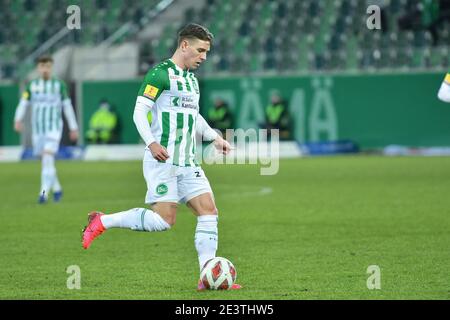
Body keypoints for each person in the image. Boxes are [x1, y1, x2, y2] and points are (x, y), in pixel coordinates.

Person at [81, 23, 241, 291]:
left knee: (209, 211)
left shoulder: (191, 80)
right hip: (163, 159)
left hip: (188, 160)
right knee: (164, 221)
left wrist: (215, 137)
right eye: (201, 51)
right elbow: (138, 111)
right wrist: (152, 142)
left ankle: (206, 275)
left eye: (207, 52)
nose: (204, 57)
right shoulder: (160, 74)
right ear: (184, 45)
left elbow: (194, 117)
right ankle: (102, 221)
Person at [14, 55, 79, 203]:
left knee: (47, 157)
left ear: (52, 67)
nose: (45, 70)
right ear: (38, 68)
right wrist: (17, 119)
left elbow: (67, 106)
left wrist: (73, 127)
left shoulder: (59, 85)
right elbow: (23, 103)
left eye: (48, 66)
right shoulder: (32, 86)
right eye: (42, 66)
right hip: (38, 130)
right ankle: (57, 189)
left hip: (54, 128)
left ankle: (43, 193)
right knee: (46, 159)